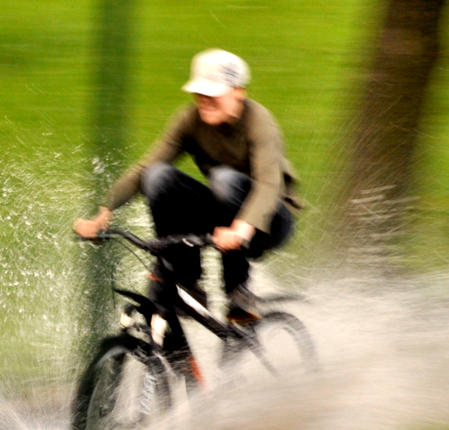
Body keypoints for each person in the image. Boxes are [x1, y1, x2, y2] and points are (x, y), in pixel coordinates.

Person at [73, 49, 300, 321]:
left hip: (270, 221)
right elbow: (145, 168)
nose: (204, 100)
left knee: (224, 179)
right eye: (199, 92)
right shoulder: (189, 120)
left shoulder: (259, 122)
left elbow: (268, 185)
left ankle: (237, 287)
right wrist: (104, 212)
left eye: (213, 93)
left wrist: (241, 229)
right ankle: (182, 279)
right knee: (157, 177)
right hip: (225, 214)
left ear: (239, 92)